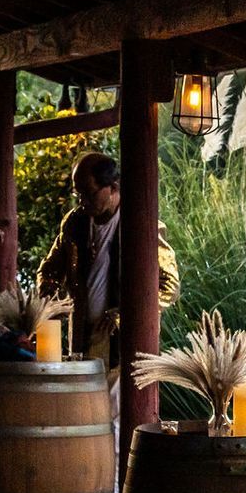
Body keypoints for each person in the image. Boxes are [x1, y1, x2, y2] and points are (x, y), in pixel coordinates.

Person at [35, 152, 180, 371]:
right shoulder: (75, 222)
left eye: (89, 194)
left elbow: (169, 285)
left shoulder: (141, 223)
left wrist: (124, 314)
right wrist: (54, 300)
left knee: (117, 404)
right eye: (78, 194)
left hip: (125, 343)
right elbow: (49, 271)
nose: (82, 201)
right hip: (82, 338)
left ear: (113, 187)